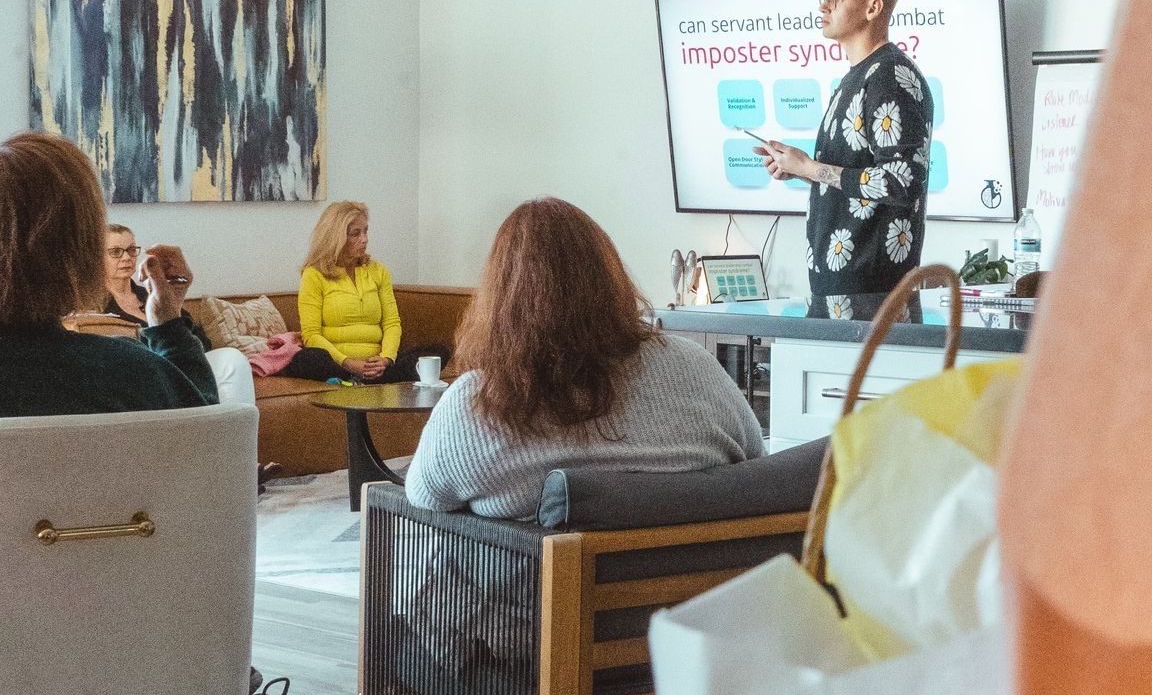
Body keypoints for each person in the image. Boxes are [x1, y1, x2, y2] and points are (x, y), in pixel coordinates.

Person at [0, 131, 218, 695]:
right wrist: (166, 322)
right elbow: (206, 430)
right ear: (77, 250)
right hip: (111, 666)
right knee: (77, 589)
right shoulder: (129, 376)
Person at [406, 197, 764, 521]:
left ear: (501, 299)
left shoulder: (478, 404)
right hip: (696, 590)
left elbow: (424, 496)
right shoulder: (696, 366)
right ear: (611, 280)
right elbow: (758, 462)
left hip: (539, 592)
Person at [757, 0, 933, 308]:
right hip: (842, 285)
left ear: (872, 8)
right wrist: (800, 170)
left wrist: (809, 167)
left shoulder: (887, 78)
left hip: (871, 291)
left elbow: (901, 181)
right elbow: (864, 179)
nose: (823, 6)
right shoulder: (856, 77)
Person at [102, 222, 257, 410]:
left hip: (180, 371)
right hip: (140, 376)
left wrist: (173, 310)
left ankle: (232, 435)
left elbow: (203, 343)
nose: (126, 257)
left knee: (231, 359)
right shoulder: (92, 306)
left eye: (131, 250)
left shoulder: (155, 295)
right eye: (116, 252)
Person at [284, 201, 422, 383]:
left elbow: (391, 322)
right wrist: (349, 363)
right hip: (338, 364)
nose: (364, 239)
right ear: (335, 237)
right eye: (355, 234)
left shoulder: (378, 271)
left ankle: (373, 376)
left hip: (377, 363)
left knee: (436, 352)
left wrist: (386, 358)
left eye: (366, 231)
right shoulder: (314, 274)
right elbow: (311, 335)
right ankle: (353, 377)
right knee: (307, 359)